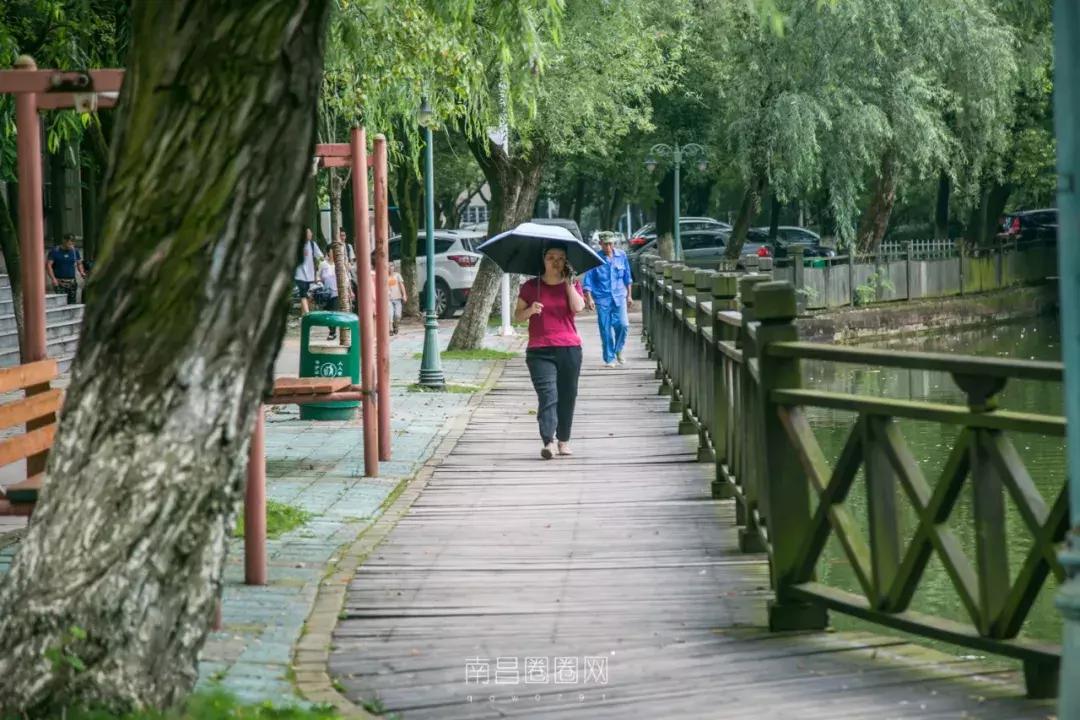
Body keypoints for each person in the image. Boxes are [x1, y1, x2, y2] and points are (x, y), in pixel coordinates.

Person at [515, 245, 586, 460]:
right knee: (548, 395)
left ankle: (563, 440)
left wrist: (567, 284)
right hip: (540, 350)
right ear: (543, 260)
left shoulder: (572, 284)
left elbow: (578, 307)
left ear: (566, 262)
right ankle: (549, 441)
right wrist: (530, 310)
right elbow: (517, 316)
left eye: (561, 258)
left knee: (567, 394)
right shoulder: (530, 287)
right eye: (550, 257)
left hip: (569, 347)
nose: (555, 261)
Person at [582, 231, 633, 367]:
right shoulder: (595, 258)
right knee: (605, 329)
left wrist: (629, 295)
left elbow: (627, 277)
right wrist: (589, 298)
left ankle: (618, 350)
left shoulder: (621, 255)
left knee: (623, 325)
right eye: (606, 244)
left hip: (619, 296)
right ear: (600, 244)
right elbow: (588, 281)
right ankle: (609, 358)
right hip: (602, 298)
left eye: (611, 244)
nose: (609, 247)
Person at [47, 233, 86, 305]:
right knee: (61, 304)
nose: (71, 244)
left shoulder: (75, 251)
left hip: (72, 282)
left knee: (72, 304)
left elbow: (79, 263)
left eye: (73, 242)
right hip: (60, 283)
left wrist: (82, 272)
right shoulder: (55, 251)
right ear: (64, 241)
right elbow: (49, 265)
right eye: (70, 242)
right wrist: (53, 279)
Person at [294, 228, 323, 315]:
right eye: (308, 233)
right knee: (303, 294)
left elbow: (320, 256)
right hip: (299, 274)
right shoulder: (297, 245)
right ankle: (307, 314)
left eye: (311, 233)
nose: (311, 234)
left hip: (310, 275)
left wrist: (321, 266)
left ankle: (303, 315)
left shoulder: (312, 244)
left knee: (308, 295)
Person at [315, 248, 340, 339]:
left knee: (334, 312)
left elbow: (345, 278)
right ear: (328, 253)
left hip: (336, 292)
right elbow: (318, 276)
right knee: (327, 313)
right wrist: (319, 283)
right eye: (331, 251)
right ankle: (331, 330)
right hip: (325, 293)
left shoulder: (339, 265)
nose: (333, 253)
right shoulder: (323, 264)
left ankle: (332, 332)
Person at [387, 261, 407, 335]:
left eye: (391, 266)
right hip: (389, 299)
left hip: (398, 298)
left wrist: (404, 295)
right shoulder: (385, 276)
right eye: (388, 266)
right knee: (390, 314)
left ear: (394, 267)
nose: (390, 267)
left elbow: (401, 285)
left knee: (397, 315)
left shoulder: (397, 275)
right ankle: (391, 329)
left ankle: (396, 326)